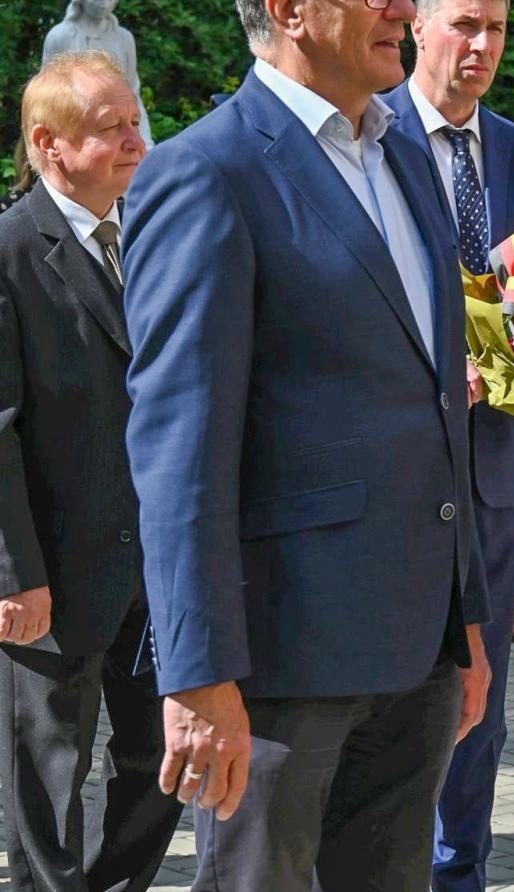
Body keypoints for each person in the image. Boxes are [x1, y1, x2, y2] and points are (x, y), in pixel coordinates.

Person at [120, 0, 491, 889]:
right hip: (278, 664)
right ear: (289, 5)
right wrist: (197, 673)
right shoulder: (206, 174)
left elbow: (432, 406)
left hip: (415, 649)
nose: (406, 11)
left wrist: (465, 623)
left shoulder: (406, 159)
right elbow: (179, 447)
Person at [381, 0, 514, 892]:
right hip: (394, 461)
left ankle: (463, 868)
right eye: (463, 25)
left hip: (492, 465)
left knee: (483, 690)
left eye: (495, 28)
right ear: (419, 27)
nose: (481, 45)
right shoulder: (371, 137)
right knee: (394, 681)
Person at [0, 51, 184, 892]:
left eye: (136, 123)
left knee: (159, 760)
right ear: (49, 144)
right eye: (113, 130)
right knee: (49, 773)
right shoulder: (9, 252)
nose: (137, 144)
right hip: (55, 574)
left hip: (160, 565)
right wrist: (15, 574)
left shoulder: (152, 234)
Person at [42, 0, 153, 146]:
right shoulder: (60, 36)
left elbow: (132, 93)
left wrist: (144, 140)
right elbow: (46, 96)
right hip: (74, 133)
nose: (104, 3)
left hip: (120, 134)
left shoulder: (124, 38)